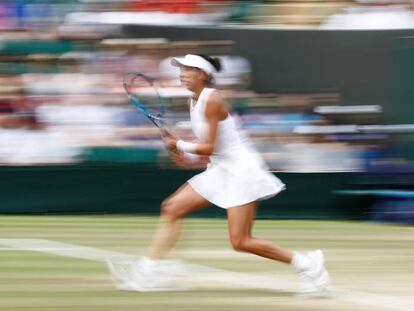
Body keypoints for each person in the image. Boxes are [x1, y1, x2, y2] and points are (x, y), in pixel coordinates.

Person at [113, 54, 330, 292]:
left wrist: (180, 145)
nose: (182, 74)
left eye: (188, 69)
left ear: (203, 74)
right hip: (220, 169)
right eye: (181, 69)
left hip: (242, 171)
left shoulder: (213, 99)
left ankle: (308, 264)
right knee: (172, 207)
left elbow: (210, 147)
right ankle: (151, 270)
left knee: (241, 241)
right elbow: (204, 148)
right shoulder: (193, 101)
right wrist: (182, 155)